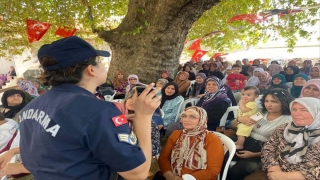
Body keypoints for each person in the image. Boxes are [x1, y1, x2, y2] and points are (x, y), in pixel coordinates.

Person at [19, 36, 161, 179]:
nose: (103, 65)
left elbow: (60, 145)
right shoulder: (99, 111)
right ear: (91, 69)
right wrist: (143, 116)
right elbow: (138, 173)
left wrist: (106, 126)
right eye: (99, 61)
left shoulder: (30, 107)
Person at [227, 88, 293, 180]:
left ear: (284, 102)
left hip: (263, 150)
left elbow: (280, 149)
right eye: (266, 101)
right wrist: (239, 119)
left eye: (274, 101)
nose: (269, 104)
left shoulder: (287, 121)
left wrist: (253, 154)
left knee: (238, 170)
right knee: (221, 155)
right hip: (246, 141)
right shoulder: (262, 113)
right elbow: (241, 123)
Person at [247, 97, 320, 180]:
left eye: (304, 110)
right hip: (273, 174)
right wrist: (274, 169)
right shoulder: (284, 128)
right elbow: (268, 147)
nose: (297, 113)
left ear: (317, 112)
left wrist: (286, 176)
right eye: (294, 109)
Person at [158, 106, 224, 180]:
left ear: (202, 119)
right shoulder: (176, 134)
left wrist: (185, 178)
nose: (186, 120)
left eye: (192, 117)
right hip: (172, 175)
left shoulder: (212, 140)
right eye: (184, 116)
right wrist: (169, 175)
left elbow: (213, 171)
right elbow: (164, 157)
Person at [123, 86, 161, 157]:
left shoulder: (149, 123)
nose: (132, 101)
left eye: (138, 99)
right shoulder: (118, 115)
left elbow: (153, 150)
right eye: (130, 97)